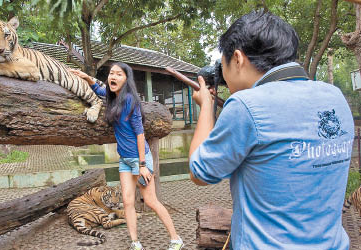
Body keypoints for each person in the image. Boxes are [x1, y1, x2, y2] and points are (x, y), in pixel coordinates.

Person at [189, 10, 354, 250]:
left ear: (237, 58)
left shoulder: (246, 105)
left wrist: (206, 106)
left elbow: (199, 172)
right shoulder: (335, 97)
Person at [70, 62, 183, 250]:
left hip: (140, 160)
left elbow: (140, 134)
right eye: (111, 73)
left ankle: (176, 238)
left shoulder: (130, 100)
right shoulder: (113, 98)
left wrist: (142, 165)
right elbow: (99, 90)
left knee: (151, 201)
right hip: (124, 160)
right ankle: (135, 243)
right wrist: (87, 78)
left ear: (126, 79)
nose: (113, 76)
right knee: (128, 202)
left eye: (118, 74)